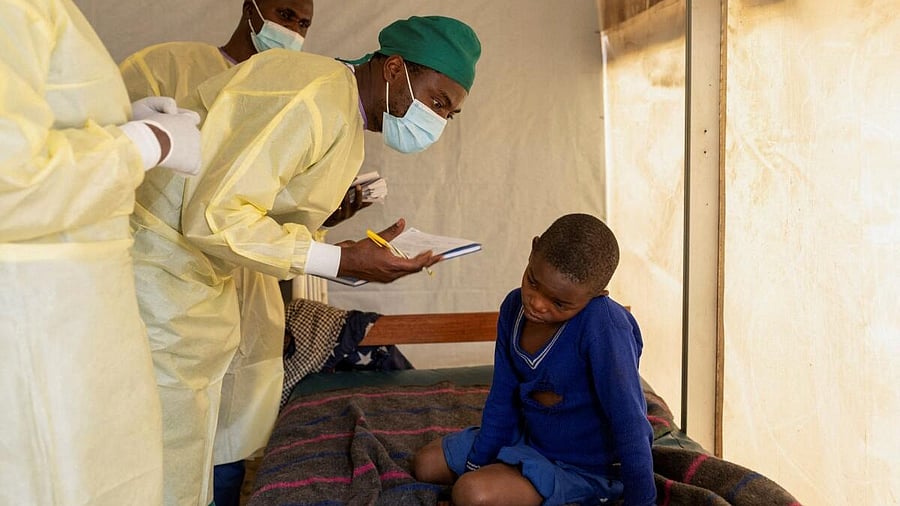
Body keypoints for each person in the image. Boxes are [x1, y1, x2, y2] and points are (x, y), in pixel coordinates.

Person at [119, 14, 481, 506]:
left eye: (450, 114)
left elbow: (261, 208)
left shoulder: (345, 117)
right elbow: (214, 215)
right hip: (162, 280)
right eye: (437, 102)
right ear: (394, 68)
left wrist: (350, 251)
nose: (438, 121)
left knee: (188, 455)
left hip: (195, 284)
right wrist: (337, 260)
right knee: (156, 462)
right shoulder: (315, 95)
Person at [0, 0, 202, 504]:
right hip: (38, 322)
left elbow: (31, 120)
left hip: (75, 313)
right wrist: (142, 143)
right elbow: (9, 182)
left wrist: (117, 122)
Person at [119, 2, 319, 504]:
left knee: (228, 435)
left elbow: (270, 209)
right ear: (252, 7)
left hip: (246, 288)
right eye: (286, 13)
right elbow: (109, 157)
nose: (293, 29)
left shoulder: (290, 96)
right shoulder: (166, 65)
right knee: (159, 433)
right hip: (162, 286)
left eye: (303, 24)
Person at [412, 214, 657, 506]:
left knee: (470, 493)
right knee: (426, 464)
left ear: (596, 295)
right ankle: (506, 475)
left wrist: (642, 501)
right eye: (533, 281)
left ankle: (586, 494)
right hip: (528, 438)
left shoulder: (603, 326)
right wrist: (478, 462)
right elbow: (502, 397)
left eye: (559, 303)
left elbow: (629, 421)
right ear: (533, 249)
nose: (537, 303)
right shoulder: (513, 307)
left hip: (583, 467)